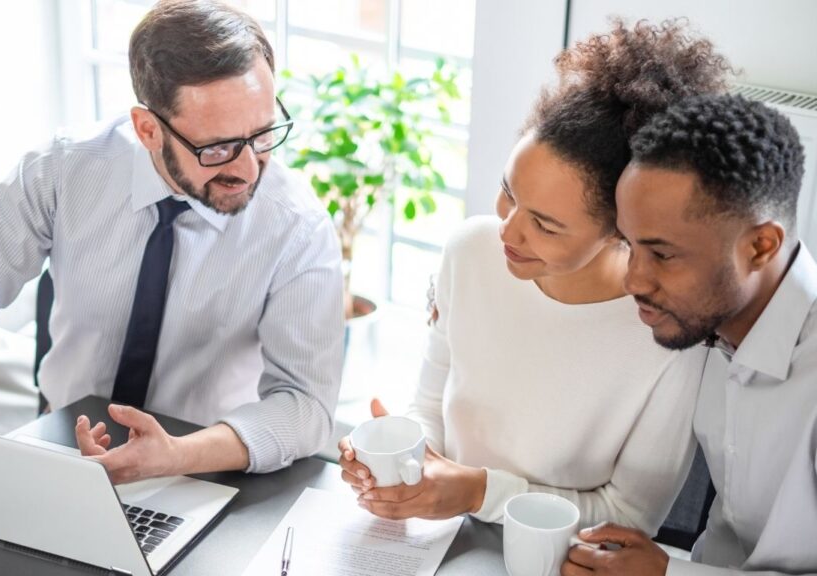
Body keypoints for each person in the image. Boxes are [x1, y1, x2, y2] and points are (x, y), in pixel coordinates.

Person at [0, 0, 343, 525]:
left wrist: (178, 454)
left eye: (264, 134)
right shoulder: (64, 171)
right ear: (147, 128)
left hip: (211, 472)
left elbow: (304, 404)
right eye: (219, 148)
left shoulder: (297, 227)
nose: (249, 168)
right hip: (58, 451)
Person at [338, 20, 731, 533]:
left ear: (623, 230)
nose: (508, 230)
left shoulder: (668, 331)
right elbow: (429, 407)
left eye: (545, 224)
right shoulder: (470, 251)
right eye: (509, 192)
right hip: (439, 541)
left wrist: (479, 491)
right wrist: (397, 456)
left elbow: (632, 518)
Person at [562, 95, 817, 575]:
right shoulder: (707, 323)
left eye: (662, 255)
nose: (634, 280)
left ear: (761, 246)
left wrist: (667, 573)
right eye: (629, 244)